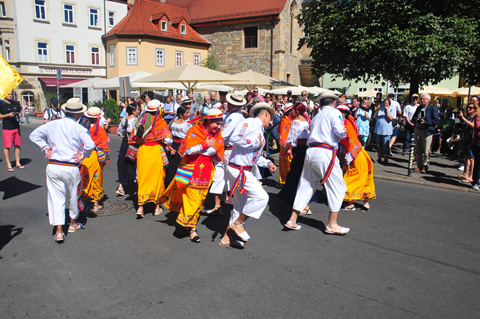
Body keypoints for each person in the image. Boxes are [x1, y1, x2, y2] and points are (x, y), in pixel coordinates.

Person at [29, 98, 95, 242]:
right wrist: (83, 154)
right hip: (71, 166)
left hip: (54, 165)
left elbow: (34, 135)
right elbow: (90, 145)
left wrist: (46, 148)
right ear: (79, 114)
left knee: (55, 198)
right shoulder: (79, 128)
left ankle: (59, 231)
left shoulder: (53, 124)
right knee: (73, 196)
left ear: (65, 110)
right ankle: (72, 224)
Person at [283, 91, 349, 234]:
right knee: (338, 186)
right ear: (334, 102)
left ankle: (292, 219)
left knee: (305, 184)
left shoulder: (317, 115)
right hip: (325, 151)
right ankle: (332, 224)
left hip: (311, 151)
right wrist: (345, 132)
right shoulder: (334, 113)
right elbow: (340, 132)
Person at [160, 109, 224, 243]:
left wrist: (201, 148)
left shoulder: (217, 135)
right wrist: (205, 144)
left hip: (206, 171)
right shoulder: (194, 131)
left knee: (200, 200)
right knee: (192, 199)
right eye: (216, 124)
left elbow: (213, 151)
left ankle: (189, 226)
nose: (218, 127)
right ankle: (192, 229)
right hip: (190, 170)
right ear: (208, 121)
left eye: (220, 124)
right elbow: (188, 151)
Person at [219, 102, 277, 247]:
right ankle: (238, 223)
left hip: (242, 170)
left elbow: (254, 155)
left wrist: (267, 163)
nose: (271, 122)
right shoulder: (250, 122)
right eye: (271, 118)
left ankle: (227, 238)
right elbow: (234, 138)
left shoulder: (259, 130)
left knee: (240, 206)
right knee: (262, 197)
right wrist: (253, 142)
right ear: (266, 114)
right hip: (238, 170)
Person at [129, 99, 172, 218]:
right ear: (158, 109)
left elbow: (133, 136)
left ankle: (140, 207)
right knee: (157, 179)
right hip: (155, 152)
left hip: (143, 152)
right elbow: (168, 139)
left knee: (143, 178)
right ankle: (157, 207)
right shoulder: (160, 121)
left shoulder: (140, 121)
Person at [207, 91, 246, 215]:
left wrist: (210, 145)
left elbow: (223, 135)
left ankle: (221, 204)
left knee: (222, 175)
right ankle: (220, 203)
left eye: (230, 103)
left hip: (227, 149)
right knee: (223, 175)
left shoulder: (234, 117)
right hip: (228, 149)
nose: (227, 104)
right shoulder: (232, 114)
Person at [336, 105, 376, 211]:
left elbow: (351, 143)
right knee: (362, 178)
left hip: (355, 156)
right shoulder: (347, 124)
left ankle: (351, 203)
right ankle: (364, 202)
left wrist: (348, 159)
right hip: (359, 155)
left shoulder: (346, 125)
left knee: (349, 178)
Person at [278, 103, 312, 215]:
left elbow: (290, 140)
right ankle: (302, 204)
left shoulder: (296, 122)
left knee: (296, 178)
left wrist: (283, 152)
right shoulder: (307, 122)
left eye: (292, 110)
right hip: (306, 151)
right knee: (303, 177)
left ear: (296, 111)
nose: (291, 111)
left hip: (299, 152)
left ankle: (303, 206)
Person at [80, 107, 109, 213]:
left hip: (84, 156)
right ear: (98, 118)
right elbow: (104, 146)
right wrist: (106, 158)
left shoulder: (82, 128)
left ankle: (82, 201)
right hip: (95, 156)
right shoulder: (100, 130)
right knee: (96, 179)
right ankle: (96, 204)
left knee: (85, 179)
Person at [164, 103, 192, 188]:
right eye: (186, 113)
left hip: (172, 145)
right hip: (181, 146)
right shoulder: (187, 125)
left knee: (171, 167)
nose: (189, 114)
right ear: (181, 114)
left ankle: (168, 186)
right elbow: (190, 137)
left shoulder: (172, 122)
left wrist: (169, 146)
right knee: (180, 167)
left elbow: (168, 132)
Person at [116, 103, 140, 196]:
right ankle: (134, 183)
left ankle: (124, 184)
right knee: (133, 164)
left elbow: (120, 132)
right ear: (133, 111)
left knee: (123, 163)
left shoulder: (124, 121)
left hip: (125, 143)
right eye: (137, 109)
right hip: (134, 144)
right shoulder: (137, 121)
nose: (138, 111)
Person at [412, 93, 438, 173]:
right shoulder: (419, 108)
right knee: (417, 150)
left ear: (428, 100)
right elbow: (414, 117)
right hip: (418, 130)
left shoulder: (432, 108)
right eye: (421, 99)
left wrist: (426, 122)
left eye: (424, 99)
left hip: (427, 131)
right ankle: (419, 166)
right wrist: (417, 119)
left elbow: (435, 120)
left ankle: (425, 166)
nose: (422, 100)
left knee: (426, 150)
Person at [0, 91, 23, 171]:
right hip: (7, 127)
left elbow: (20, 113)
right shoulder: (2, 104)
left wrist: (19, 114)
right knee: (7, 146)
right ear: (5, 95)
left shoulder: (16, 103)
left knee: (17, 145)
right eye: (8, 94)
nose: (10, 96)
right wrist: (8, 115)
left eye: (11, 94)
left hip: (16, 127)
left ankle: (18, 162)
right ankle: (9, 164)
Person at [457, 103, 476, 183]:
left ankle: (471, 176)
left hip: (471, 139)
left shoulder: (475, 117)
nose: (468, 109)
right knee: (465, 157)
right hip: (465, 138)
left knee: (471, 158)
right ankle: (465, 173)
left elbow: (472, 125)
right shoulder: (468, 117)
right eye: (467, 108)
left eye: (470, 108)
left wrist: (463, 118)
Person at [373, 98, 395, 164]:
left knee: (386, 145)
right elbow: (374, 116)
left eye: (386, 103)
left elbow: (390, 118)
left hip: (386, 130)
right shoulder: (380, 110)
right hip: (379, 130)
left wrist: (387, 110)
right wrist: (377, 109)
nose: (385, 104)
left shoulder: (391, 110)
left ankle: (386, 158)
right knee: (379, 145)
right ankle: (379, 157)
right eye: (384, 103)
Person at [277, 103, 294, 187]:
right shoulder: (284, 120)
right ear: (288, 112)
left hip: (291, 145)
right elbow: (283, 135)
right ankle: (284, 181)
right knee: (285, 163)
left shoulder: (291, 119)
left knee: (289, 163)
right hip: (286, 146)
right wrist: (286, 148)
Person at [470, 102, 480, 191]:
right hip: (478, 144)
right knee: (478, 164)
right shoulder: (478, 116)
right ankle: (475, 182)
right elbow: (478, 126)